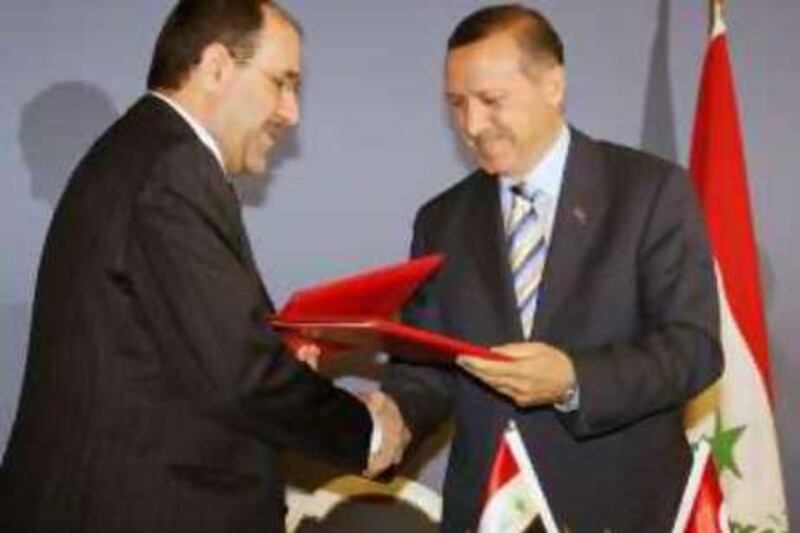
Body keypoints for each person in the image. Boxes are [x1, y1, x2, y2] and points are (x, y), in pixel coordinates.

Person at [0, 1, 403, 531]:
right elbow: (242, 375)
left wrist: (272, 353)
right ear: (216, 66)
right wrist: (367, 434)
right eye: (282, 82)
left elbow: (180, 353)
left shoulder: (141, 153)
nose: (291, 111)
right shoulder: (173, 166)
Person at [377, 4, 724, 532]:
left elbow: (693, 350)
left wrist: (573, 380)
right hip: (491, 513)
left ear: (553, 86)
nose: (472, 125)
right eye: (456, 104)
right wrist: (394, 418)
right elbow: (427, 368)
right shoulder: (441, 219)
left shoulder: (650, 191)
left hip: (622, 511)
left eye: (491, 101)